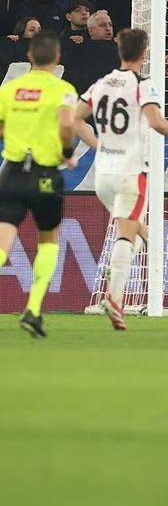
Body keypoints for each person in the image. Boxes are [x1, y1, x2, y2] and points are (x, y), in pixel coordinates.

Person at [74, 28, 168, 328]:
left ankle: (117, 269)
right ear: (144, 53)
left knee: (142, 233)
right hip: (131, 172)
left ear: (120, 51)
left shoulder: (100, 84)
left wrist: (97, 145)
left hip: (103, 175)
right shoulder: (143, 85)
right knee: (126, 235)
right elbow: (155, 121)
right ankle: (114, 298)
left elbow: (74, 118)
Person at [0, 32, 80, 338]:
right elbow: (67, 124)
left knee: (3, 242)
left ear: (30, 57)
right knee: (48, 240)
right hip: (45, 173)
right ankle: (33, 310)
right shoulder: (64, 89)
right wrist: (67, 151)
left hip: (12, 172)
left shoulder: (10, 89)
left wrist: (17, 133)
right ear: (57, 58)